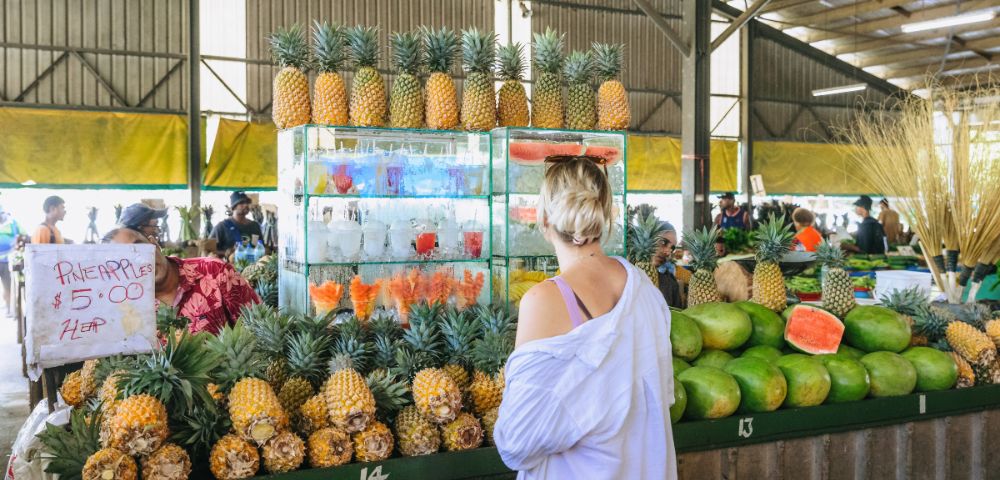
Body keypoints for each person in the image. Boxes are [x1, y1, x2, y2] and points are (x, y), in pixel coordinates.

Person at [494, 156, 676, 479]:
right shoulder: (647, 290)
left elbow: (516, 442)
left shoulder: (543, 300)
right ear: (603, 214)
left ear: (546, 220)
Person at [104, 227, 260, 334]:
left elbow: (258, 328)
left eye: (139, 248)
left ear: (154, 244)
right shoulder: (126, 309)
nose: (140, 261)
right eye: (125, 261)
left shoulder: (216, 272)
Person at [652, 220, 684, 308]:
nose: (667, 252)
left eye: (672, 248)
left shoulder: (670, 283)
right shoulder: (625, 274)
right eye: (663, 242)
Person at [0, 205, 21, 315]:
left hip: (7, 261)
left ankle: (9, 308)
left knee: (8, 286)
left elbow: (22, 235)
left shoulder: (13, 223)